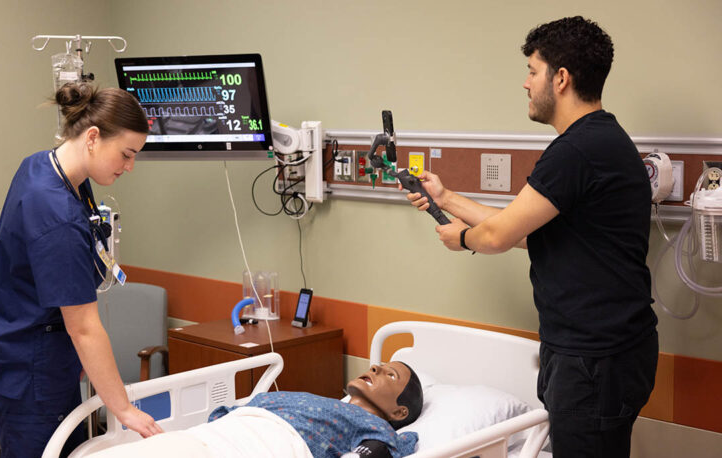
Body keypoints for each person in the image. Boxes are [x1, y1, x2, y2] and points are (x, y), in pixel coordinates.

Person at [404, 16, 658, 458]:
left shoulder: (576, 151)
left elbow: (500, 234)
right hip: (604, 352)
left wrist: (463, 240)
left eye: (532, 70)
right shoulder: (600, 141)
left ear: (561, 79)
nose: (525, 83)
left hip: (593, 358)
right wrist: (445, 196)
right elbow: (523, 230)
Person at [0, 82, 163, 457]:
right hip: (30, 373)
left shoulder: (43, 166)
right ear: (93, 137)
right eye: (126, 154)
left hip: (21, 347)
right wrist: (123, 409)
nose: (130, 166)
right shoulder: (57, 216)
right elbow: (85, 328)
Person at [90, 361, 423, 458]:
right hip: (205, 439)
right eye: (378, 365)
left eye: (389, 374)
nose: (376, 369)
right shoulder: (316, 400)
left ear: (398, 413)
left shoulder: (375, 426)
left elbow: (378, 452)